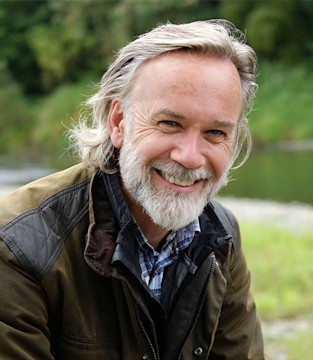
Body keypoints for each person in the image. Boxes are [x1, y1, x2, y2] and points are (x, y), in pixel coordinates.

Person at [0, 20, 264, 359]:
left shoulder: (222, 235)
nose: (189, 157)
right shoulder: (18, 246)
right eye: (170, 123)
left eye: (215, 132)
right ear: (118, 122)